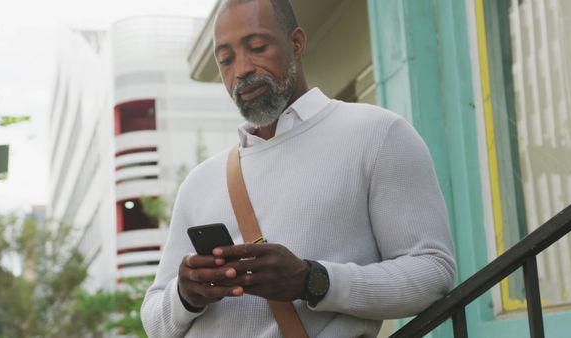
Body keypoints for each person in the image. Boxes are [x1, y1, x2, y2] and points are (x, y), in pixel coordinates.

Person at [141, 0, 456, 337]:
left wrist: (313, 280)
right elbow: (154, 321)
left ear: (296, 42)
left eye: (257, 47)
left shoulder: (376, 134)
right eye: (226, 60)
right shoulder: (200, 182)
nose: (242, 69)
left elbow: (433, 272)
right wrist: (185, 294)